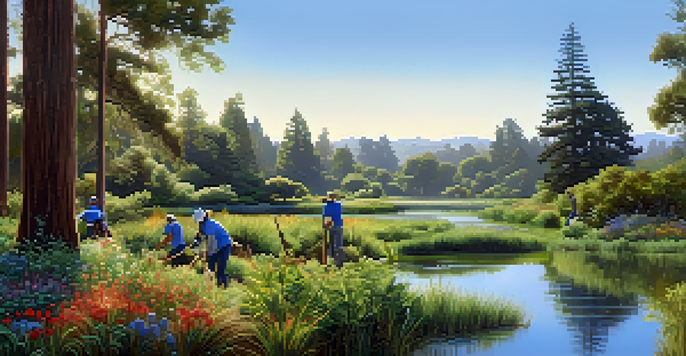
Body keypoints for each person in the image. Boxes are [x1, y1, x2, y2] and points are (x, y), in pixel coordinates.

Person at [190, 208, 231, 288]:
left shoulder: (210, 226)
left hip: (224, 245)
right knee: (211, 266)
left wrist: (208, 255)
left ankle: (223, 285)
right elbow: (201, 234)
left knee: (220, 267)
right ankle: (212, 284)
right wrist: (196, 241)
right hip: (217, 244)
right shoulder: (202, 224)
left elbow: (212, 243)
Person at [323, 191, 347, 268]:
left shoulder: (326, 206)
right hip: (339, 225)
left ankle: (331, 259)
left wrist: (325, 226)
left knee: (331, 243)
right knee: (339, 244)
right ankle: (340, 261)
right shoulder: (339, 204)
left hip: (331, 226)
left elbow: (325, 217)